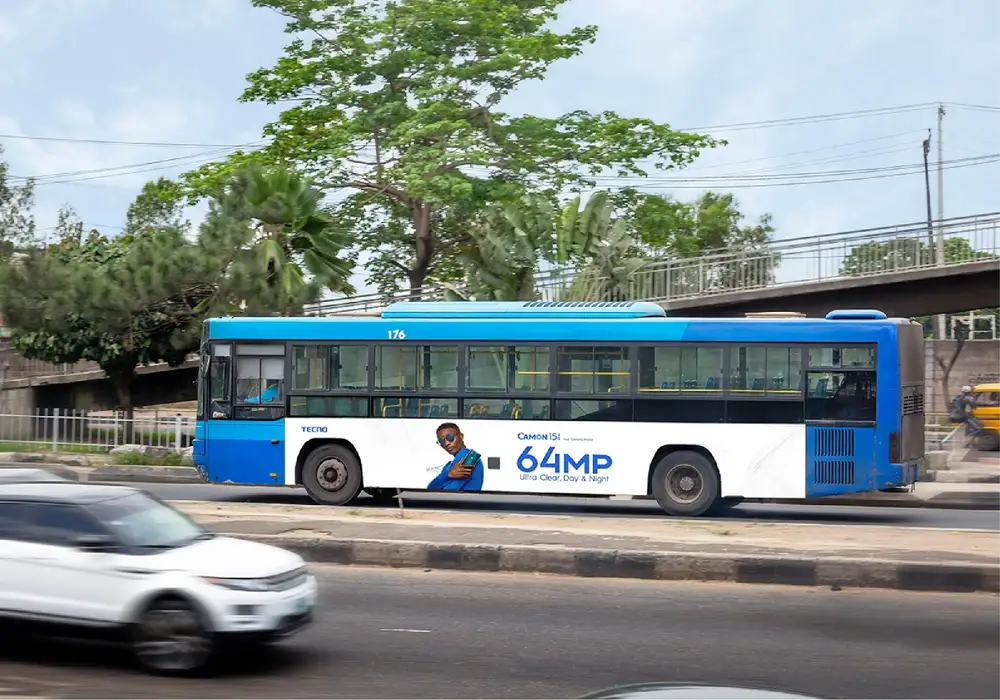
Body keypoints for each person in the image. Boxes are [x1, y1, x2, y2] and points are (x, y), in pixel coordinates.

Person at [427, 422, 484, 491]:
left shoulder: (469, 457)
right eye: (441, 441)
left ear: (461, 436)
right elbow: (429, 489)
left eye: (450, 437)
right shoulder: (448, 465)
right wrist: (447, 474)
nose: (446, 443)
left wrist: (444, 477)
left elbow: (448, 491)